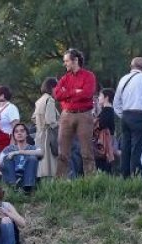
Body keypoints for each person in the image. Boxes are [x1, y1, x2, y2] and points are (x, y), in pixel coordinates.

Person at [54, 49, 97, 178]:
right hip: (66, 115)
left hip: (84, 115)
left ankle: (91, 181)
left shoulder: (88, 76)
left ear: (75, 60)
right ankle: (60, 182)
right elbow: (57, 94)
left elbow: (87, 93)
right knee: (63, 152)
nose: (65, 64)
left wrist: (67, 93)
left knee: (86, 152)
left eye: (67, 61)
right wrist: (75, 92)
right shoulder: (64, 78)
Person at [114, 57, 142, 178]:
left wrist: (123, 115)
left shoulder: (123, 79)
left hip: (126, 115)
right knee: (137, 149)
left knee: (126, 148)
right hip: (139, 116)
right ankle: (135, 177)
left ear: (131, 66)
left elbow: (116, 102)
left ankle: (124, 176)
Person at [0, 122, 41, 192]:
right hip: (12, 176)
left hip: (27, 176)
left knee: (33, 158)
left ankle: (27, 188)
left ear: (27, 134)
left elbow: (40, 153)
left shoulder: (33, 147)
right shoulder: (8, 149)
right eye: (16, 132)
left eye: (22, 131)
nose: (19, 133)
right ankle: (13, 187)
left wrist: (18, 152)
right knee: (6, 158)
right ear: (14, 135)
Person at [33, 77, 60, 180]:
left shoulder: (39, 100)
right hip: (48, 136)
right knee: (51, 167)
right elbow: (50, 121)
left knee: (42, 167)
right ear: (52, 87)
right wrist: (61, 124)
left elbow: (34, 118)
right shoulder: (50, 100)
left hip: (39, 135)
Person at [0, 85, 20, 156]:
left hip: (6, 144)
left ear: (2, 96)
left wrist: (11, 147)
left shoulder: (11, 108)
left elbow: (16, 128)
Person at [94, 88, 117, 173]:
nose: (98, 98)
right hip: (105, 144)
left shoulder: (108, 111)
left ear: (106, 98)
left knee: (103, 166)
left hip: (104, 145)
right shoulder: (107, 111)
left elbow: (101, 125)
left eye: (100, 96)